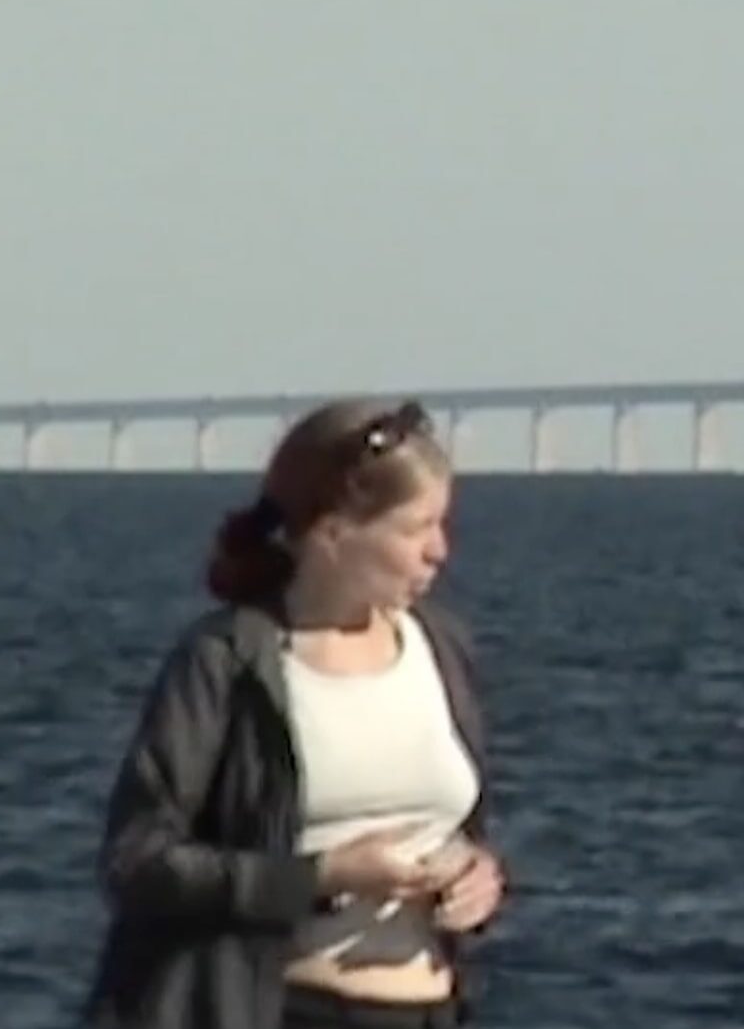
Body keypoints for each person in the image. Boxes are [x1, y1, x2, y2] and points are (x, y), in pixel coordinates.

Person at [82, 399, 507, 1029]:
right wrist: (319, 875)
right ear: (334, 531)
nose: (438, 551)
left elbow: (465, 828)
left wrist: (481, 879)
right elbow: (136, 862)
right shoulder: (229, 660)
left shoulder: (441, 648)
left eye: (443, 526)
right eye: (417, 528)